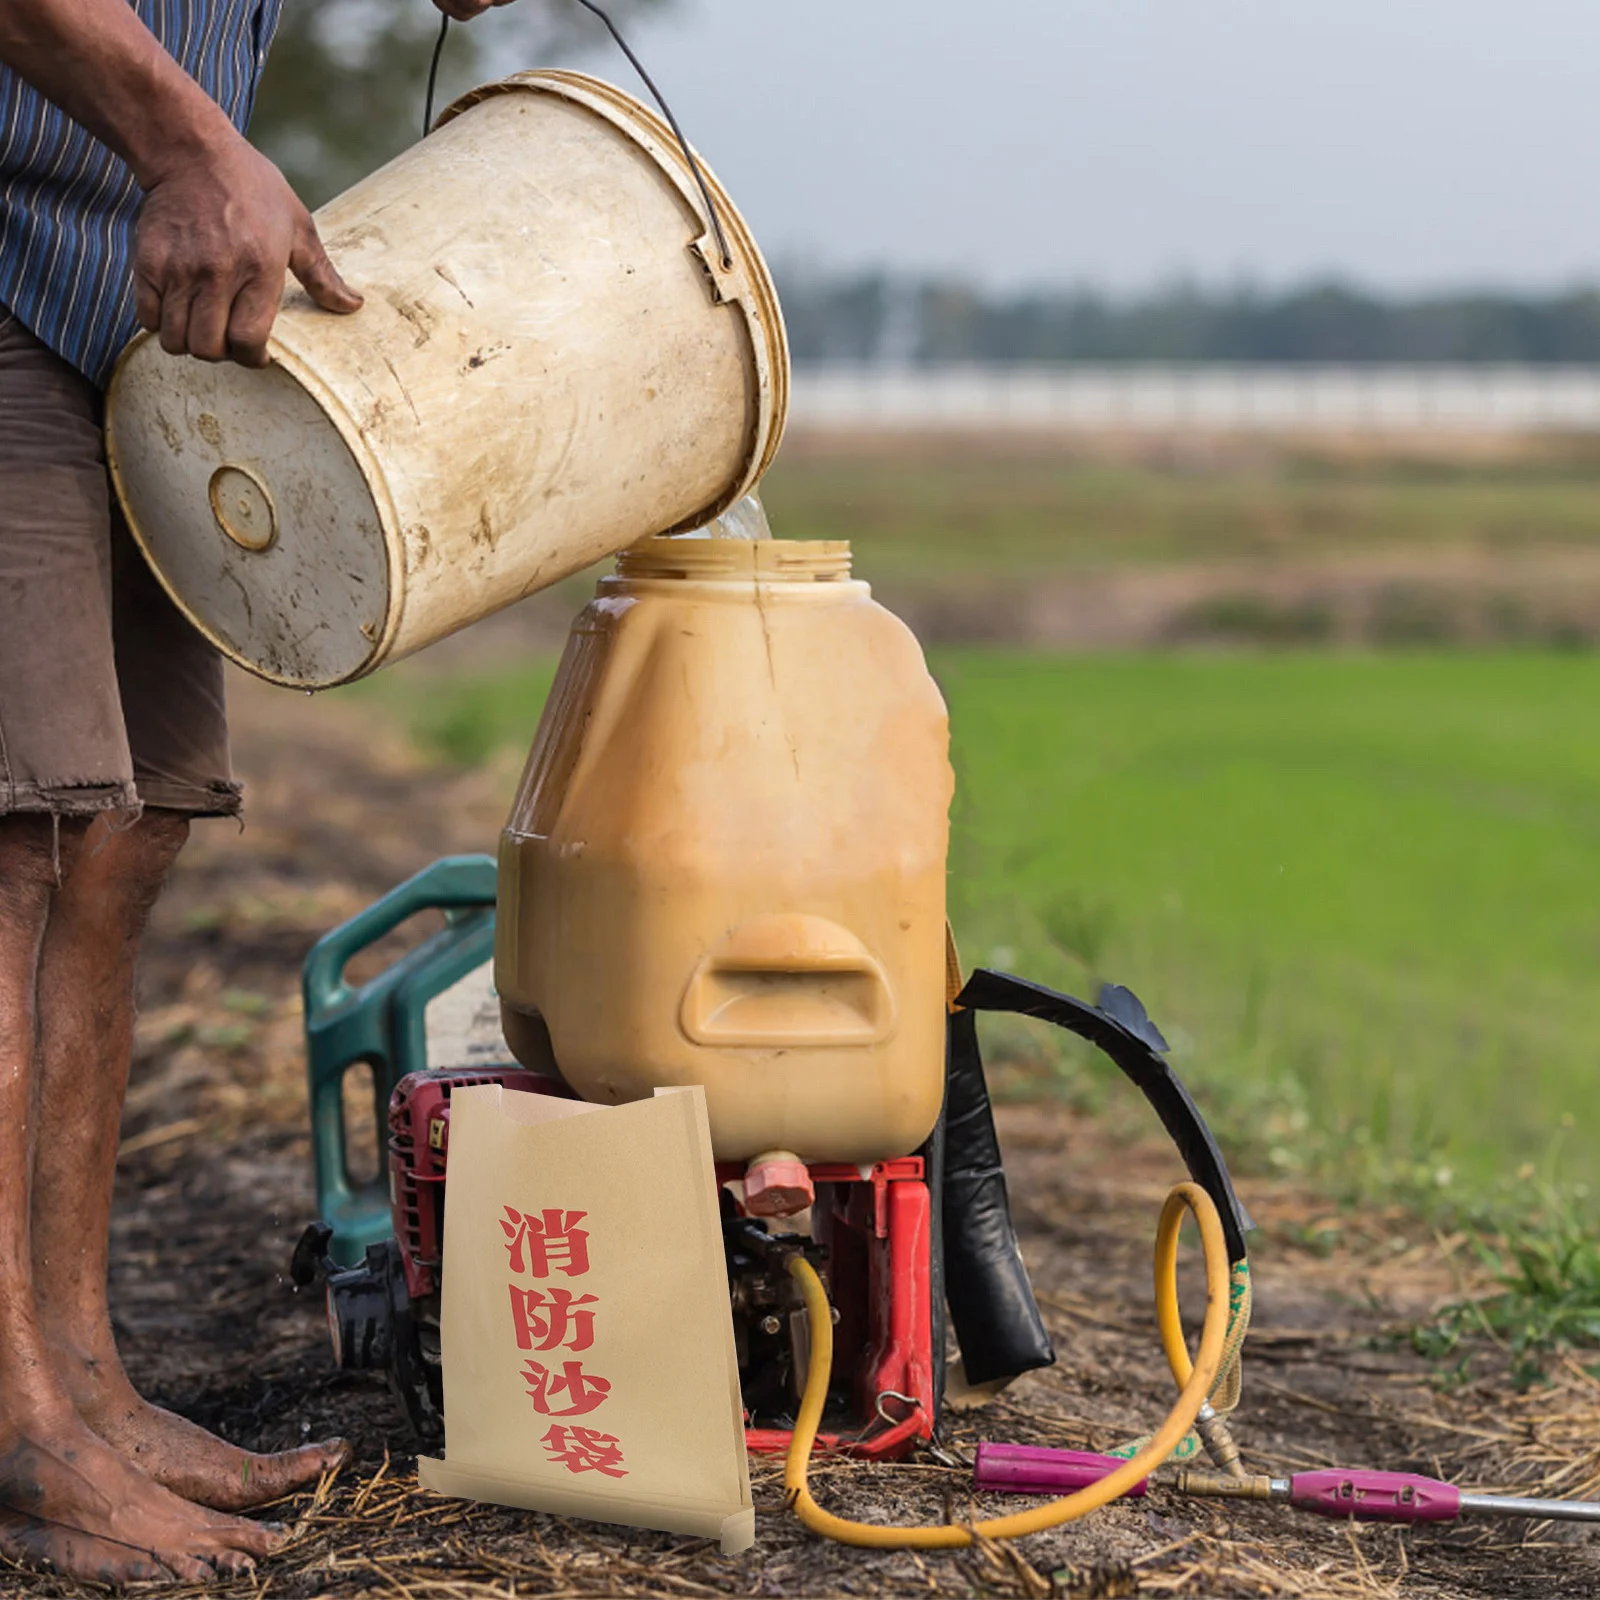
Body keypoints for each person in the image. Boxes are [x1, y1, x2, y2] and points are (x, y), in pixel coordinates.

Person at [0, 0, 514, 1582]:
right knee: (12, 838)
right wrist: (192, 140)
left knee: (120, 837)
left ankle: (80, 1383)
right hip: (25, 250)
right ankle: (18, 1434)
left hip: (142, 292)